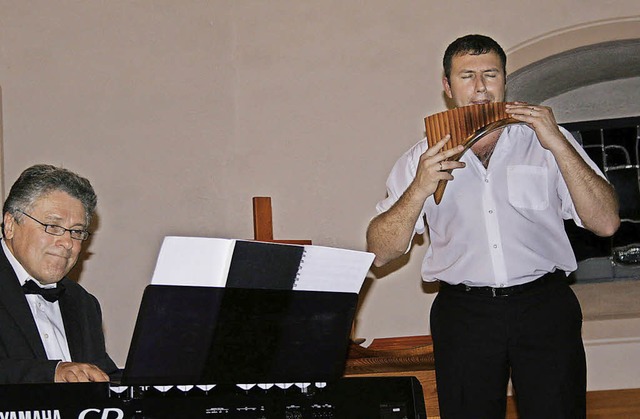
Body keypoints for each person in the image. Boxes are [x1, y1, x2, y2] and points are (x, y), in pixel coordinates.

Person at [366, 34, 620, 418]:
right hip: (464, 313)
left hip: (545, 306)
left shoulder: (548, 142)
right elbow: (380, 252)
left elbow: (606, 223)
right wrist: (418, 188)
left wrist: (558, 144)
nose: (481, 87)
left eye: (491, 74)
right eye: (467, 76)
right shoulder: (420, 158)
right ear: (447, 87)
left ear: (505, 81)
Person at [0, 164, 118, 384]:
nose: (66, 243)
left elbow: (103, 379)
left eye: (76, 231)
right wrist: (53, 373)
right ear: (10, 225)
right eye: (53, 226)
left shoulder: (83, 303)